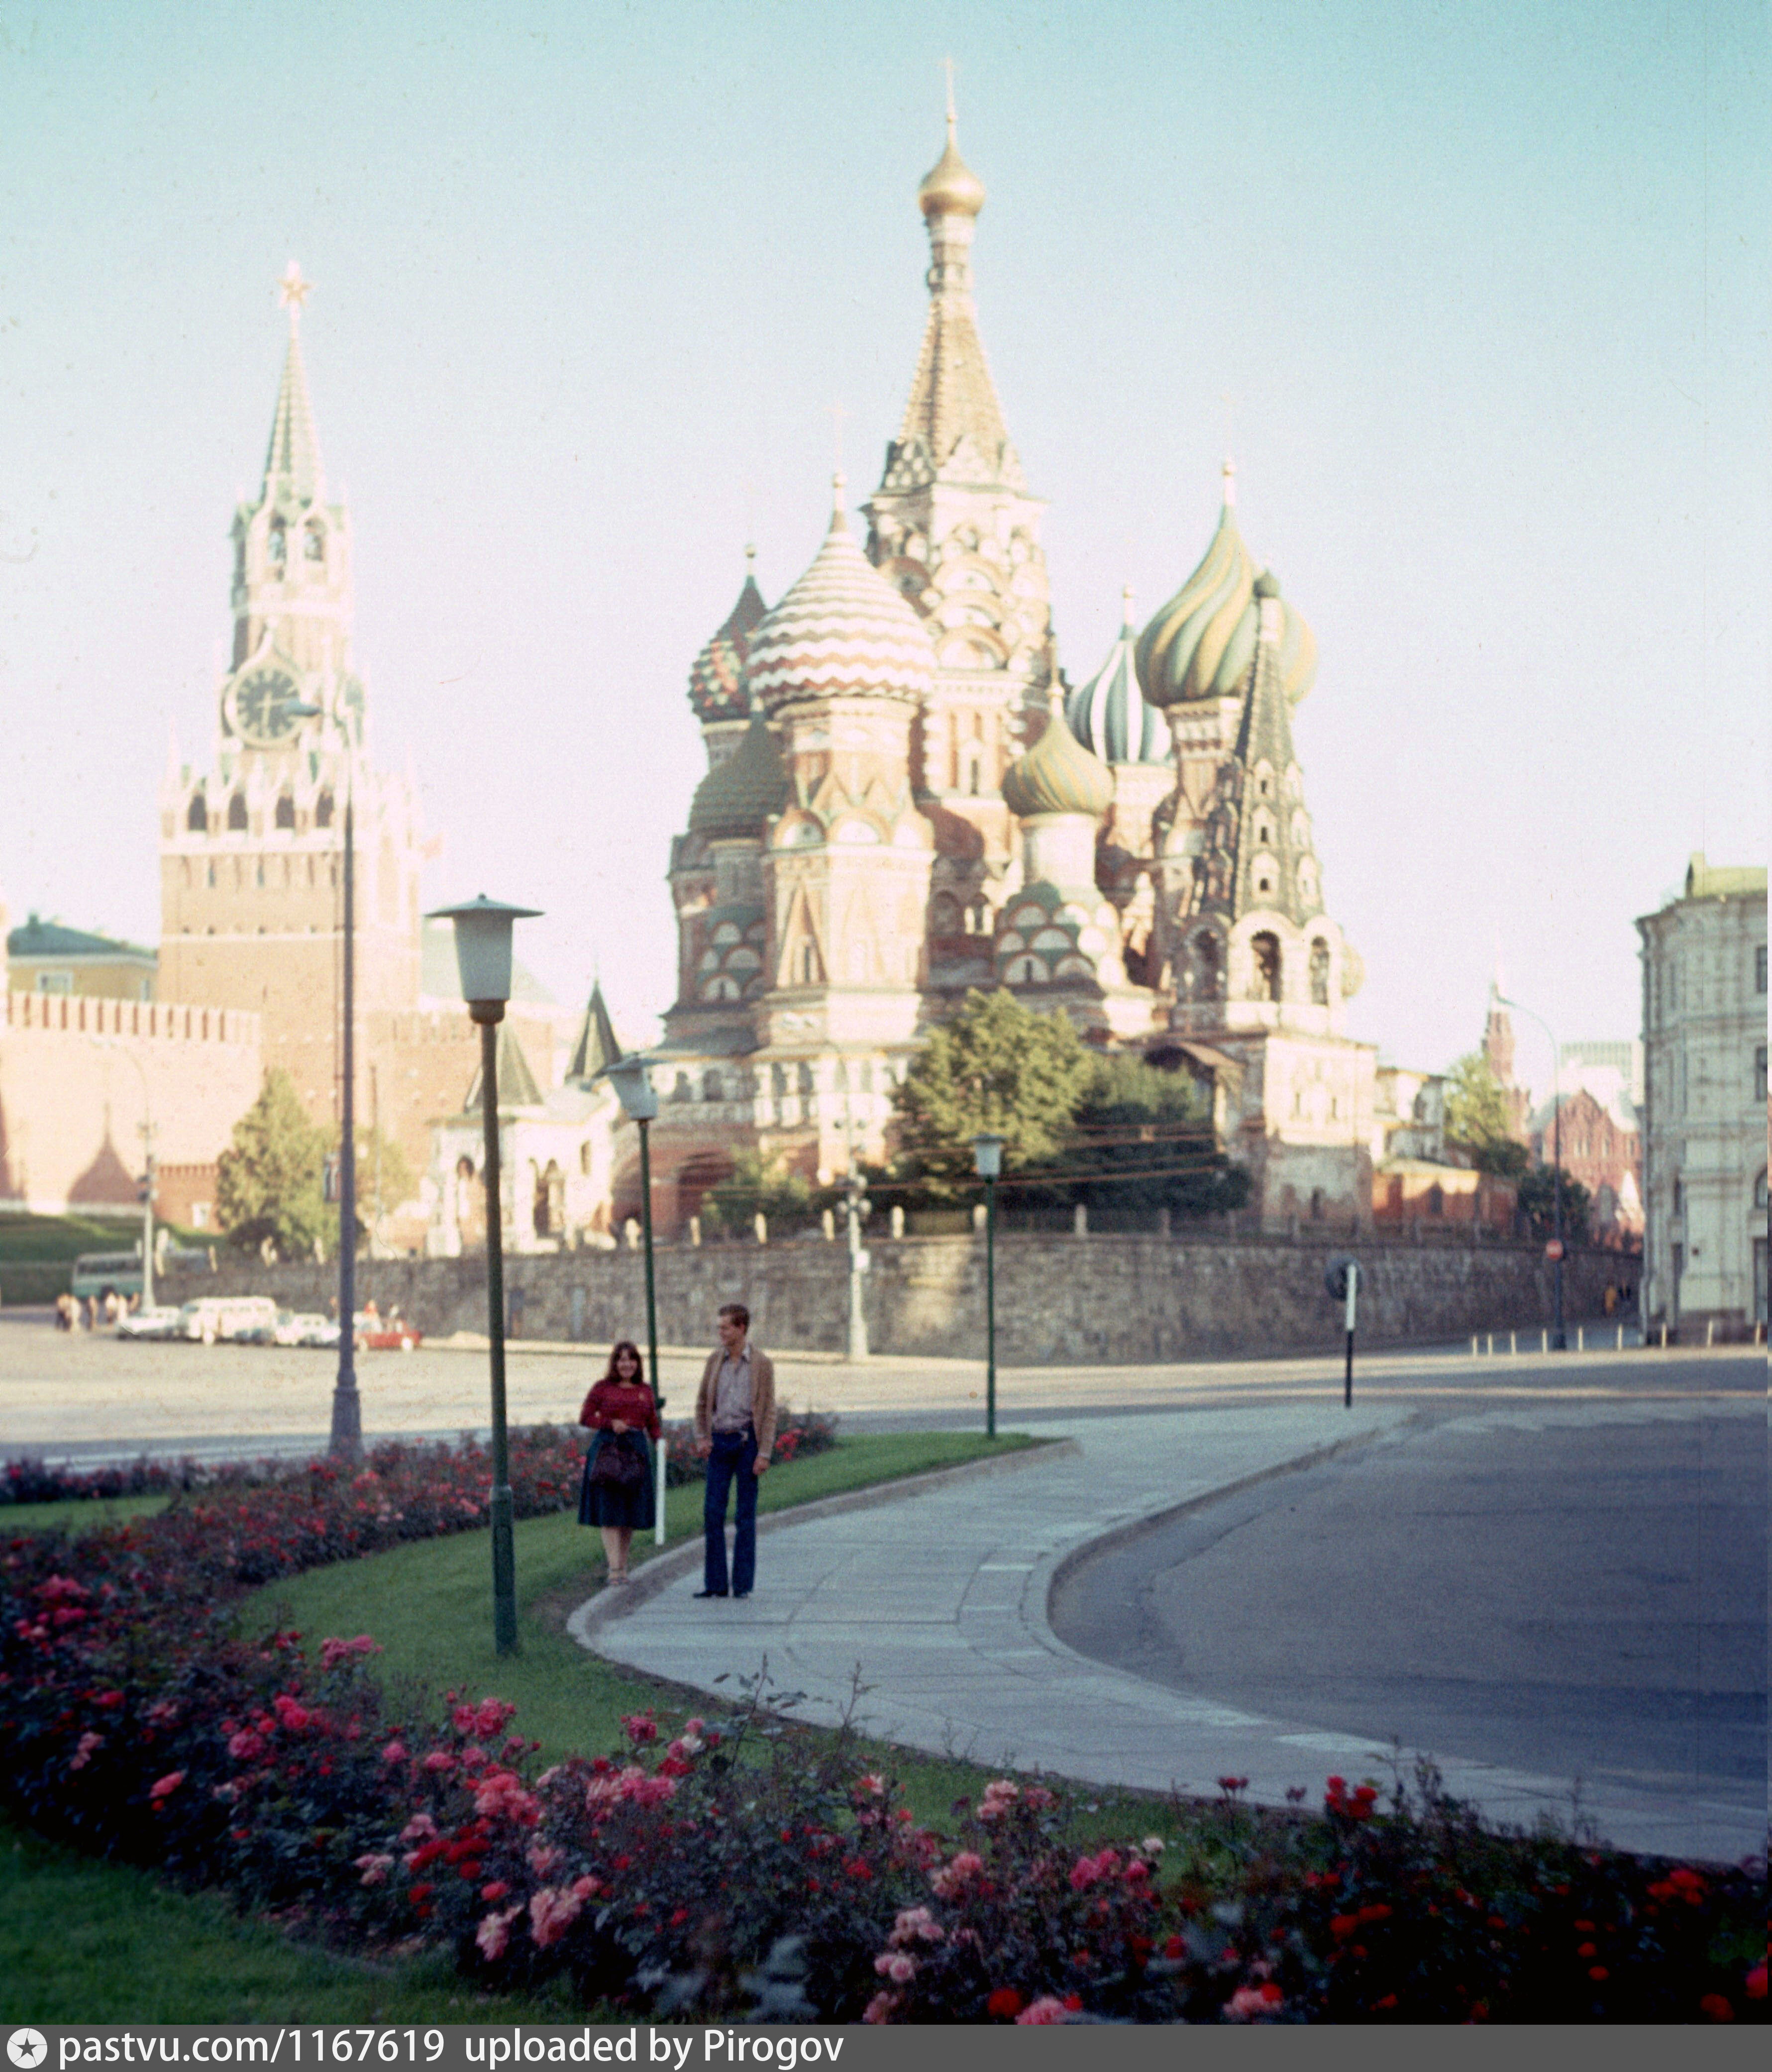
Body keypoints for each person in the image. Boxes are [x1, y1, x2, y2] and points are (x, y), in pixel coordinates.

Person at [693, 1302, 776, 1600]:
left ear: (741, 1328)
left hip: (746, 1444)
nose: (721, 1333)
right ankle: (716, 1584)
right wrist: (702, 1437)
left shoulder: (762, 1364)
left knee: (745, 1515)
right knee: (713, 1512)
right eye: (719, 1327)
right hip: (719, 1443)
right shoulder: (715, 1360)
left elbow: (769, 1411)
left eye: (726, 1327)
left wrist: (764, 1453)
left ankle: (742, 1584)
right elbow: (702, 1403)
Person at [577, 1339, 660, 1584]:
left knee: (629, 1514)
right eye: (622, 1360)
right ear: (614, 1363)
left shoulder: (645, 1390)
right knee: (610, 1513)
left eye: (631, 1360)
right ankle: (614, 1569)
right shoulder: (602, 1388)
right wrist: (610, 1423)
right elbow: (585, 1417)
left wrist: (660, 1442)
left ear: (638, 1364)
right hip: (608, 1453)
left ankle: (622, 1567)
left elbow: (652, 1423)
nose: (627, 1365)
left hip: (636, 1453)